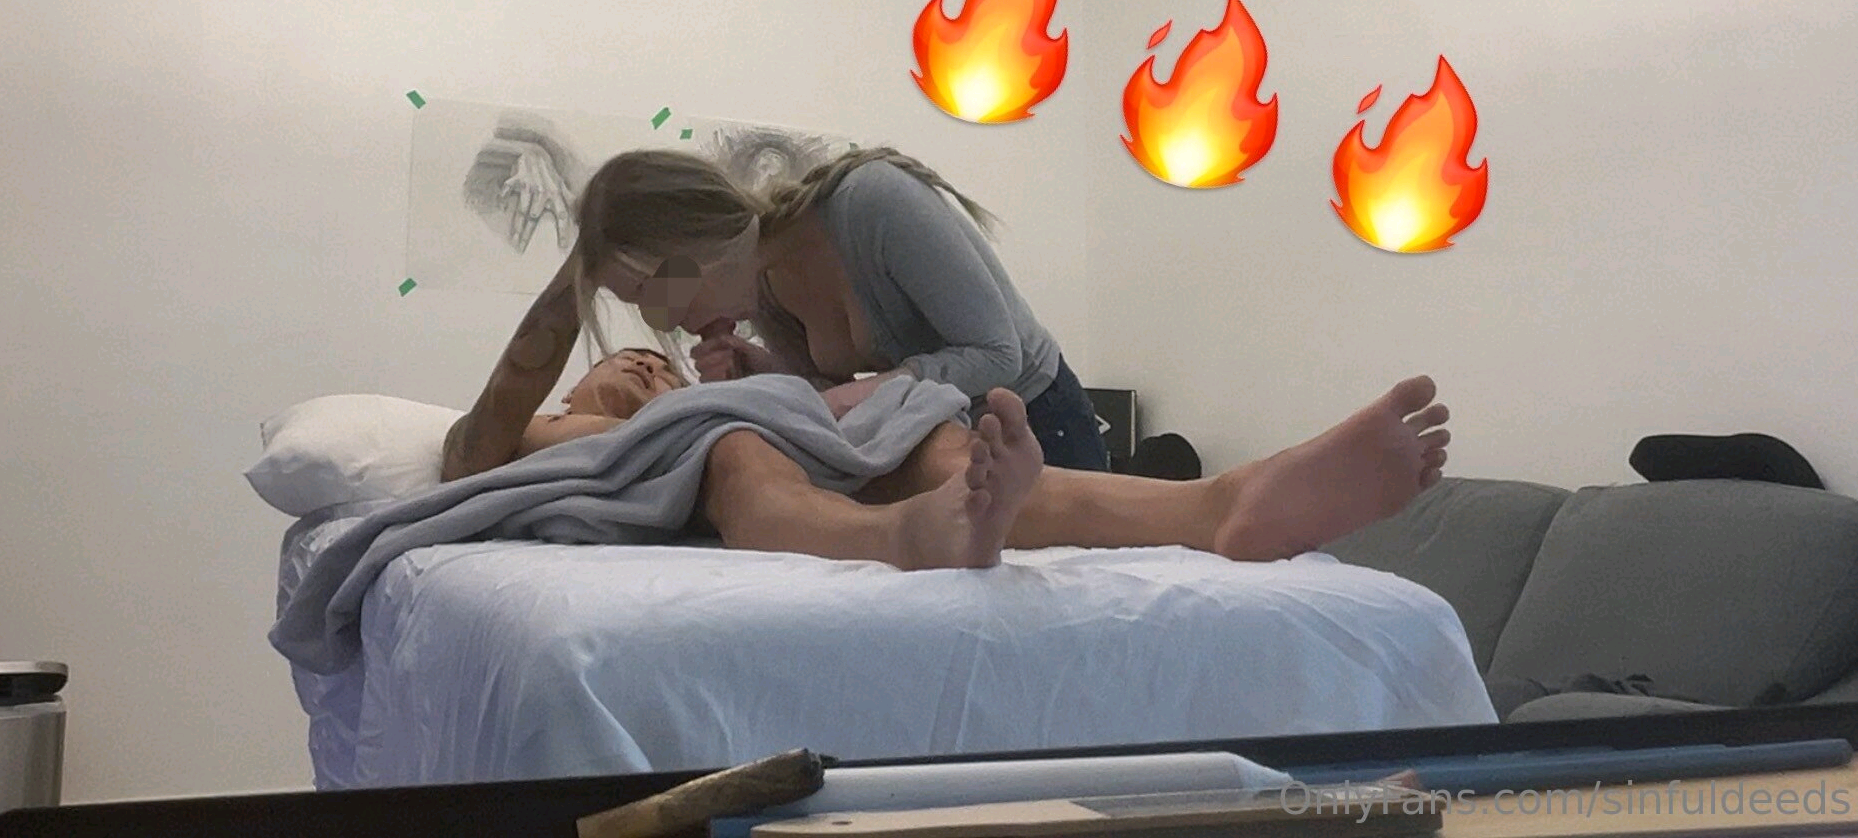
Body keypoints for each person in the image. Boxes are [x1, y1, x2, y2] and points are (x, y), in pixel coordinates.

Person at [444, 146, 1113, 482]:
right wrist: (765, 372)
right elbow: (837, 398)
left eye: (653, 292)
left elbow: (997, 353)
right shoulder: (760, 284)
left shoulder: (873, 203)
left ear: (695, 248)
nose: (665, 323)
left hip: (1039, 418)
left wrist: (855, 394)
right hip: (947, 440)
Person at [503, 346, 1454, 569]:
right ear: (575, 391)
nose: (644, 365)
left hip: (823, 434)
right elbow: (486, 444)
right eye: (622, 364)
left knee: (940, 442)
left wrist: (778, 381)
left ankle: (1221, 503)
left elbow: (824, 410)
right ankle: (900, 536)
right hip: (728, 452)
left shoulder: (742, 395)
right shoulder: (559, 430)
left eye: (659, 363)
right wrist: (697, 408)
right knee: (738, 453)